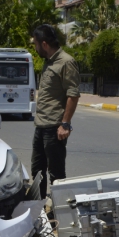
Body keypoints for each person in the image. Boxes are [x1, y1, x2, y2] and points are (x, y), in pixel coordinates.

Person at [31, 24, 80, 199]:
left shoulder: (66, 62)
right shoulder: (48, 62)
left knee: (56, 174)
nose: (35, 48)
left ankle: (61, 212)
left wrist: (65, 124)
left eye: (35, 44)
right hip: (41, 126)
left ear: (44, 44)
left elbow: (73, 95)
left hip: (54, 128)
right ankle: (40, 207)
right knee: (37, 171)